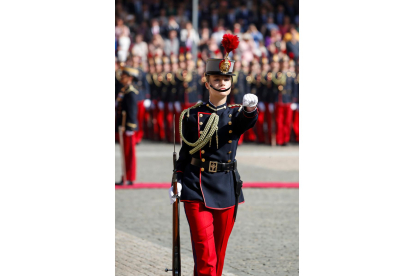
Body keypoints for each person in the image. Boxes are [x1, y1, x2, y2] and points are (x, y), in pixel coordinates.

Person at [168, 35, 259, 276]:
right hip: (195, 185)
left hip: (226, 186)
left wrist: (250, 110)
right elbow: (187, 151)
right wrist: (177, 178)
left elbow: (245, 122)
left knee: (218, 256)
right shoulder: (191, 115)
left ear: (231, 83)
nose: (221, 83)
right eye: (216, 79)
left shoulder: (234, 114)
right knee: (206, 256)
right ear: (207, 82)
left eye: (226, 79)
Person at [115, 67, 139, 185]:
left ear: (129, 78)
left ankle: (130, 177)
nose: (121, 77)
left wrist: (130, 127)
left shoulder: (131, 92)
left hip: (127, 127)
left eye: (124, 76)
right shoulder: (124, 90)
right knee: (125, 153)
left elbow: (132, 111)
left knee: (129, 154)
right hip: (122, 126)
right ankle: (125, 176)